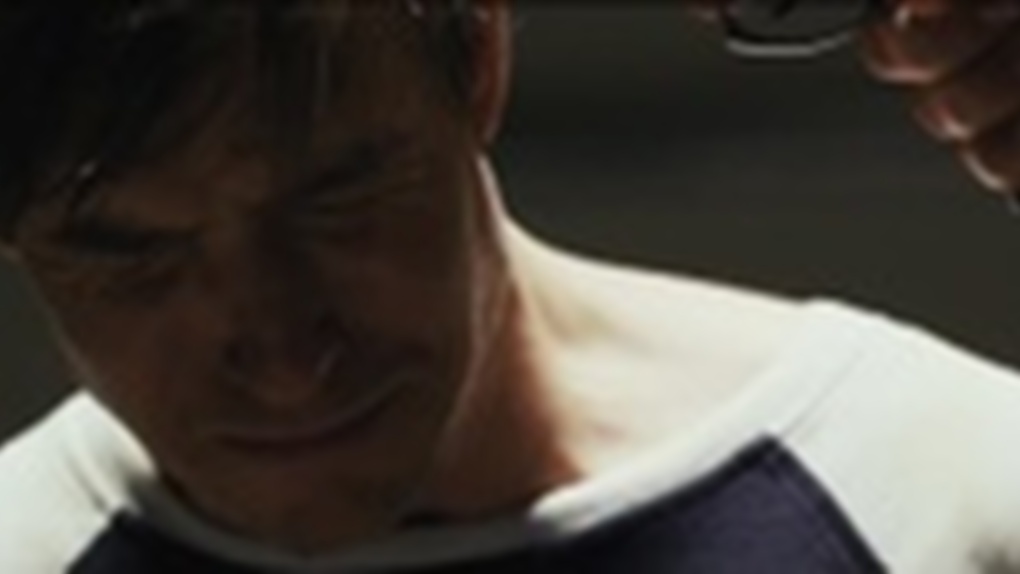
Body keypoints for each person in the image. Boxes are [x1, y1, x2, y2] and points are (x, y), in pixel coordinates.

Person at [0, 0, 1018, 572]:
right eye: (130, 253)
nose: (280, 355)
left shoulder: (946, 493)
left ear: (479, 59)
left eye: (338, 198)